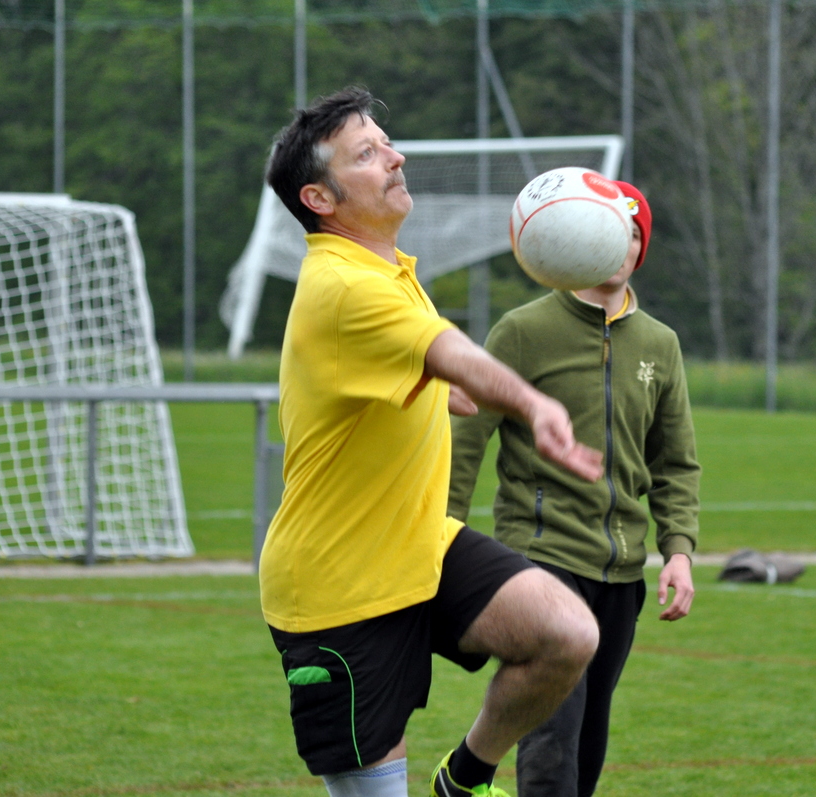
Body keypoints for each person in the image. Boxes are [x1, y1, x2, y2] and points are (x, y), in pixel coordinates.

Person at [258, 86, 606, 797]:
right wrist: (531, 402)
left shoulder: (388, 272)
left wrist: (438, 389)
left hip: (419, 546)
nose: (396, 158)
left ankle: (463, 779)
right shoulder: (342, 284)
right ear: (319, 199)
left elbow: (402, 366)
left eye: (386, 144)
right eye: (367, 154)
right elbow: (445, 347)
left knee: (566, 633)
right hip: (340, 588)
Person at [448, 181, 701, 797]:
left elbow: (675, 463)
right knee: (552, 734)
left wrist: (679, 551)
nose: (621, 245)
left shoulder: (661, 344)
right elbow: (466, 439)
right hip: (541, 554)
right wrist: (441, 532)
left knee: (588, 737)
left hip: (622, 571)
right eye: (611, 231)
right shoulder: (522, 331)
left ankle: (461, 781)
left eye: (633, 235)